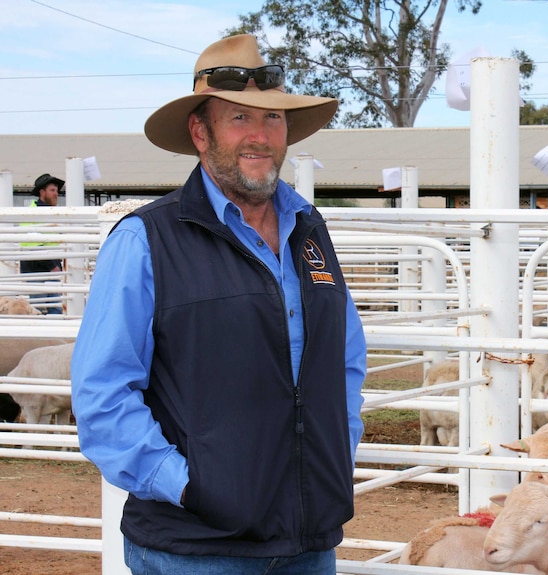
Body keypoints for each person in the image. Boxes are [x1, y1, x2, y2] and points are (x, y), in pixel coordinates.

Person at [70, 34, 366, 575]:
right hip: (195, 549)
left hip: (307, 541)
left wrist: (332, 459)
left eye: (274, 119)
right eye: (238, 119)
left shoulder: (309, 231)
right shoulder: (146, 241)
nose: (261, 136)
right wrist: (192, 488)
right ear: (200, 132)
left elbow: (343, 363)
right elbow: (102, 395)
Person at [21, 173, 65, 314]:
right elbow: (32, 245)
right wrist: (53, 265)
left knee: (53, 308)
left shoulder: (50, 212)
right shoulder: (31, 213)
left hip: (49, 267)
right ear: (42, 192)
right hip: (37, 268)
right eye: (52, 190)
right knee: (39, 309)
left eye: (56, 191)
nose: (56, 194)